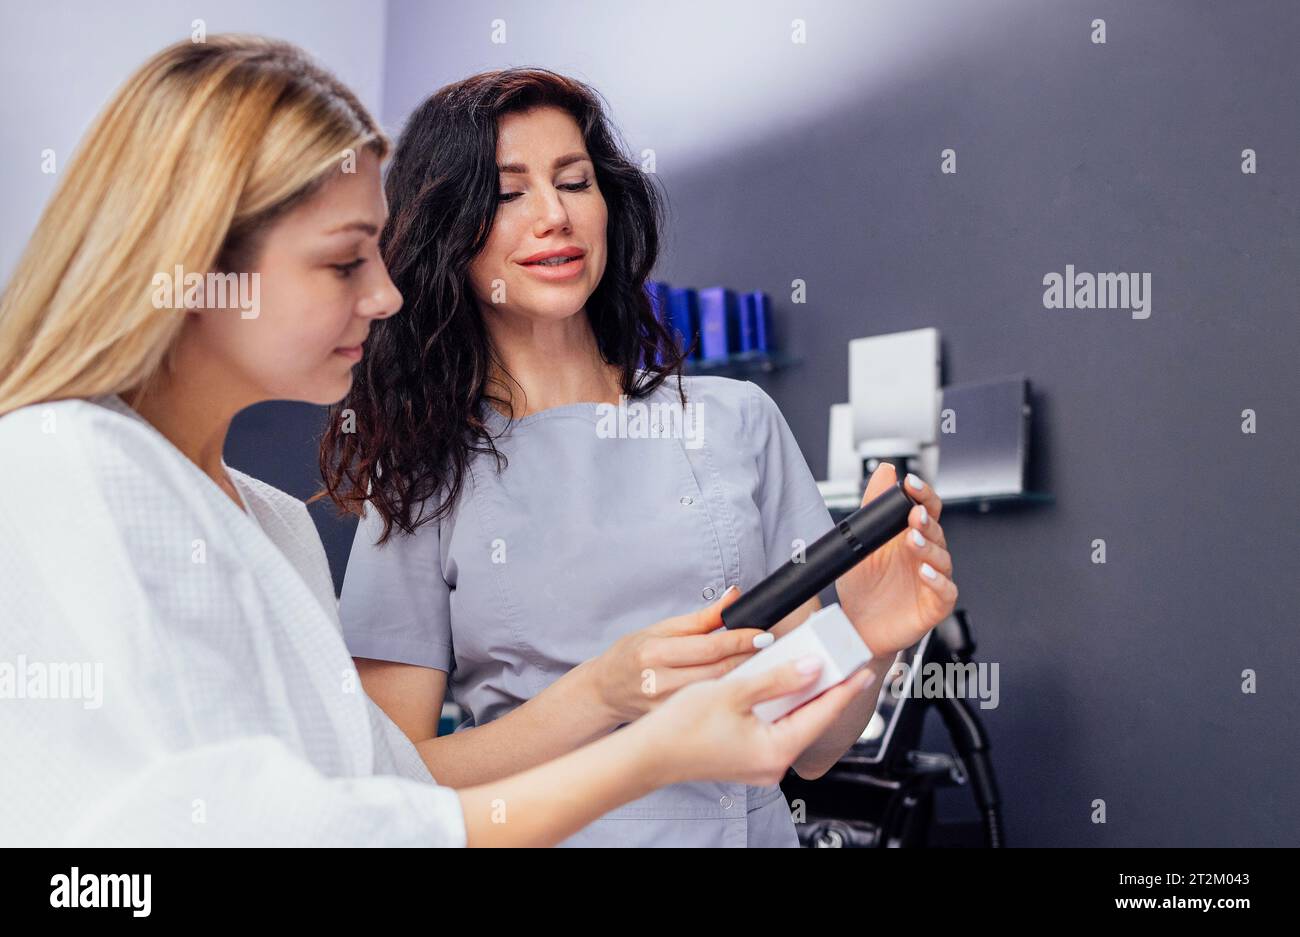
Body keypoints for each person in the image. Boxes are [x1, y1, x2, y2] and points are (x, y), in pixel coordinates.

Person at [0, 36, 878, 848]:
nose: (384, 295)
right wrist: (635, 739)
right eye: (346, 260)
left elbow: (371, 785)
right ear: (198, 263)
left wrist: (868, 635)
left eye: (575, 182)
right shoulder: (63, 468)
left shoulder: (273, 524)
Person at [324, 69, 957, 846]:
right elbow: (392, 785)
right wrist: (601, 693)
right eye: (510, 191)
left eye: (574, 181)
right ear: (451, 230)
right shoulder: (424, 474)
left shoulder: (737, 420)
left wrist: (871, 634)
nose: (554, 216)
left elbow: (817, 751)